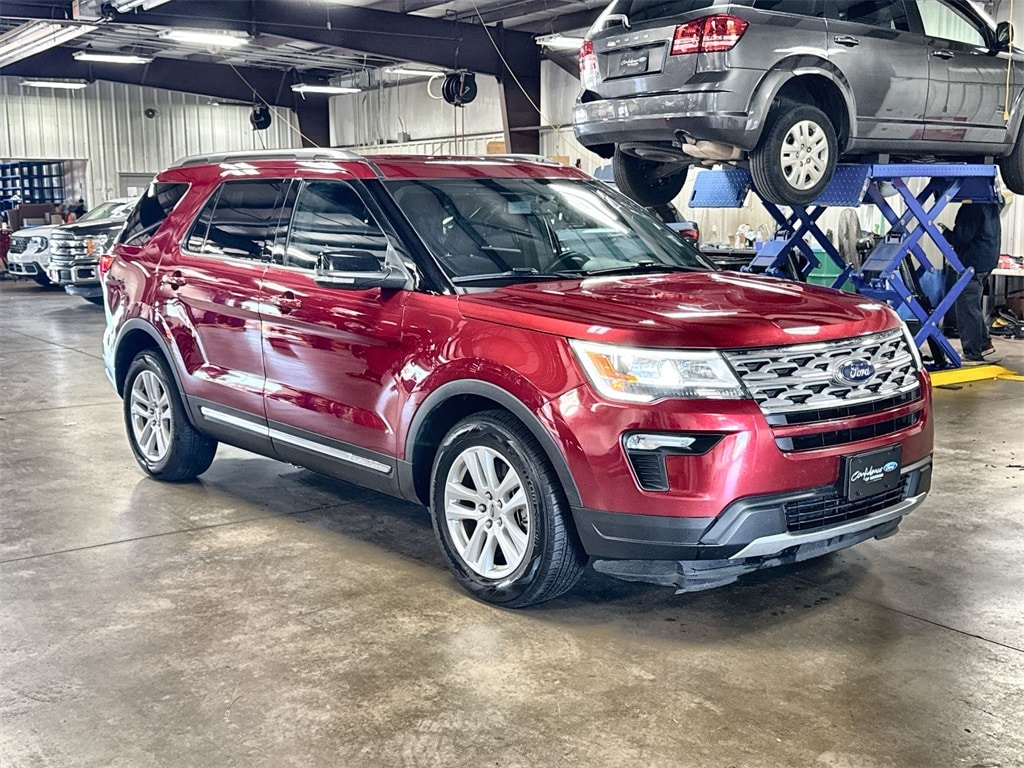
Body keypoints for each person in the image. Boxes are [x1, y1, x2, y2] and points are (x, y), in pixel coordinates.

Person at [945, 200, 1001, 365]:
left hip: (972, 263)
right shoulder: (991, 204)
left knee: (967, 307)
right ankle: (983, 343)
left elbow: (962, 237)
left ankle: (972, 352)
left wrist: (947, 235)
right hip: (987, 261)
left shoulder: (971, 207)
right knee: (973, 305)